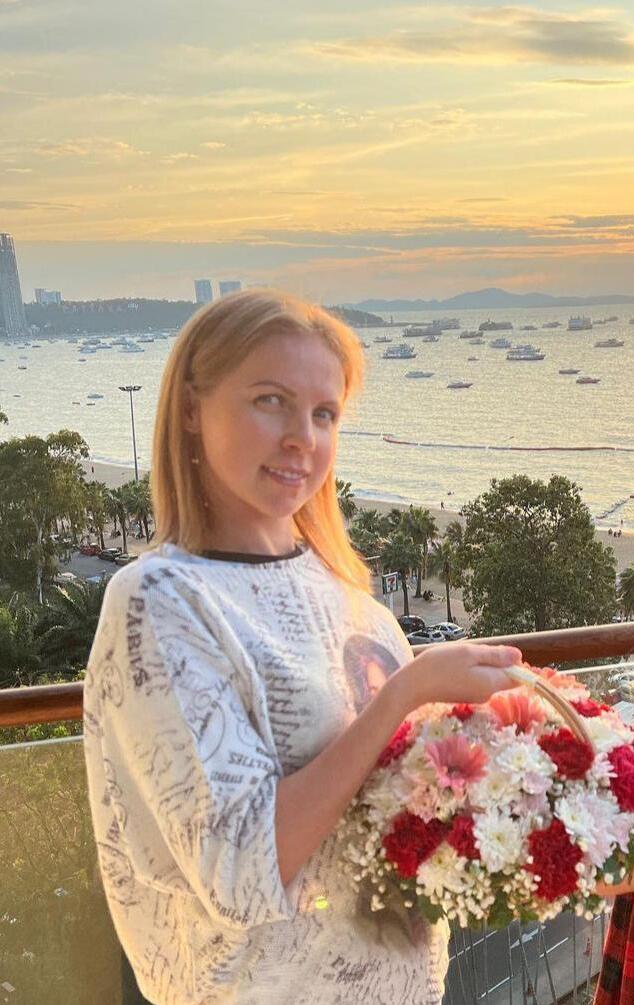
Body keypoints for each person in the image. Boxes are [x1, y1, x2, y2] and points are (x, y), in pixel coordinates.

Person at [83, 289, 522, 1005]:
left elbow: (398, 806)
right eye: (271, 401)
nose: (302, 438)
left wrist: (548, 809)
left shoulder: (346, 592)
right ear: (191, 408)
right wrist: (405, 693)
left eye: (324, 413)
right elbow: (242, 871)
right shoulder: (161, 602)